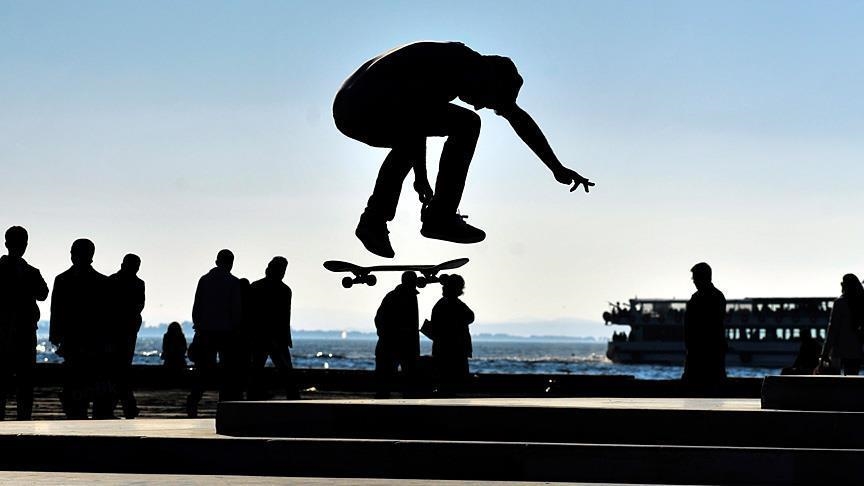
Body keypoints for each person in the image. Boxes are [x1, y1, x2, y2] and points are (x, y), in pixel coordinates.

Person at [334, 41, 594, 258]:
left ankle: (378, 221)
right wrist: (421, 178)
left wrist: (555, 167)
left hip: (356, 106)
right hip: (365, 104)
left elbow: (518, 118)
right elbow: (414, 124)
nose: (479, 105)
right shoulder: (449, 66)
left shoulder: (465, 66)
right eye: (485, 101)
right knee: (467, 123)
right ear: (487, 79)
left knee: (412, 142)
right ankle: (431, 218)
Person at [49, 239, 112, 419]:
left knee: (74, 382)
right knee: (93, 381)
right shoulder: (103, 282)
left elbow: (56, 311)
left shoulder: (62, 280)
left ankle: (75, 413)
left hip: (72, 340)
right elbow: (108, 315)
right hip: (95, 341)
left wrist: (55, 335)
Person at [186, 249, 243, 417]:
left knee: (203, 370)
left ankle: (194, 399)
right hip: (226, 333)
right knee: (227, 372)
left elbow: (197, 307)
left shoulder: (204, 280)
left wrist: (199, 326)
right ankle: (225, 405)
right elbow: (236, 310)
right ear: (231, 263)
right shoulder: (234, 283)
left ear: (217, 261)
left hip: (206, 332)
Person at [0, 226, 49, 420]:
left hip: (5, 333)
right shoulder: (31, 272)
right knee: (25, 383)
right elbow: (43, 293)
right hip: (24, 333)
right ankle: (24, 419)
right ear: (25, 245)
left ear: (6, 244)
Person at [247, 257, 299, 400]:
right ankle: (293, 397)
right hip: (276, 336)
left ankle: (253, 396)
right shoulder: (284, 290)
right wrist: (286, 338)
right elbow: (285, 316)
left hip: (259, 336)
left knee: (256, 369)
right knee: (286, 371)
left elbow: (249, 313)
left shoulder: (255, 287)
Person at [108, 254, 145, 419]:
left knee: (116, 370)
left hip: (116, 331)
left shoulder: (111, 281)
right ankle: (128, 405)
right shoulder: (138, 284)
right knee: (122, 370)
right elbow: (139, 306)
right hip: (127, 331)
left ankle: (120, 405)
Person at [373, 271, 420, 398]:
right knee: (406, 384)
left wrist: (384, 336)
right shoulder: (407, 297)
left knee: (384, 384)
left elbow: (379, 319)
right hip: (400, 346)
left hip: (390, 345)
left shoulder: (393, 296)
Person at [682, 262, 727, 389]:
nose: (693, 282)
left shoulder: (714, 297)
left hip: (709, 353)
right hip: (696, 352)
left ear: (704, 277)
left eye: (695, 278)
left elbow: (712, 324)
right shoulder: (699, 297)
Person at [426, 274, 474, 394]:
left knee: (446, 385)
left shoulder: (442, 304)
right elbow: (470, 316)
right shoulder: (455, 304)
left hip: (444, 350)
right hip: (454, 350)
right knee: (454, 384)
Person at [820, 274, 864, 375]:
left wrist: (825, 353)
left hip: (839, 352)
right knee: (852, 379)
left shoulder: (840, 303)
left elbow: (832, 330)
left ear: (845, 286)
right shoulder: (861, 304)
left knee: (837, 380)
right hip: (856, 352)